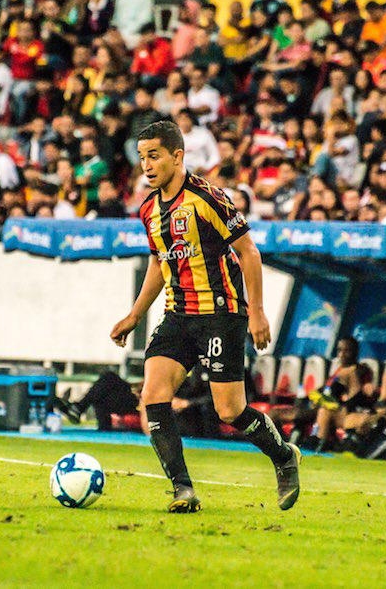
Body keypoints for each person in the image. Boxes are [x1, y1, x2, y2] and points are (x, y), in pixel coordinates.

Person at [109, 120, 300, 514]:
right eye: (142, 158)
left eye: (154, 156)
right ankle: (183, 490)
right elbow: (159, 263)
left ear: (178, 156)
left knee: (229, 411)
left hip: (222, 314)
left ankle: (283, 456)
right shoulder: (147, 210)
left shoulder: (208, 197)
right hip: (178, 314)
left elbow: (248, 251)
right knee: (152, 395)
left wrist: (257, 312)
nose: (146, 165)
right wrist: (134, 315)